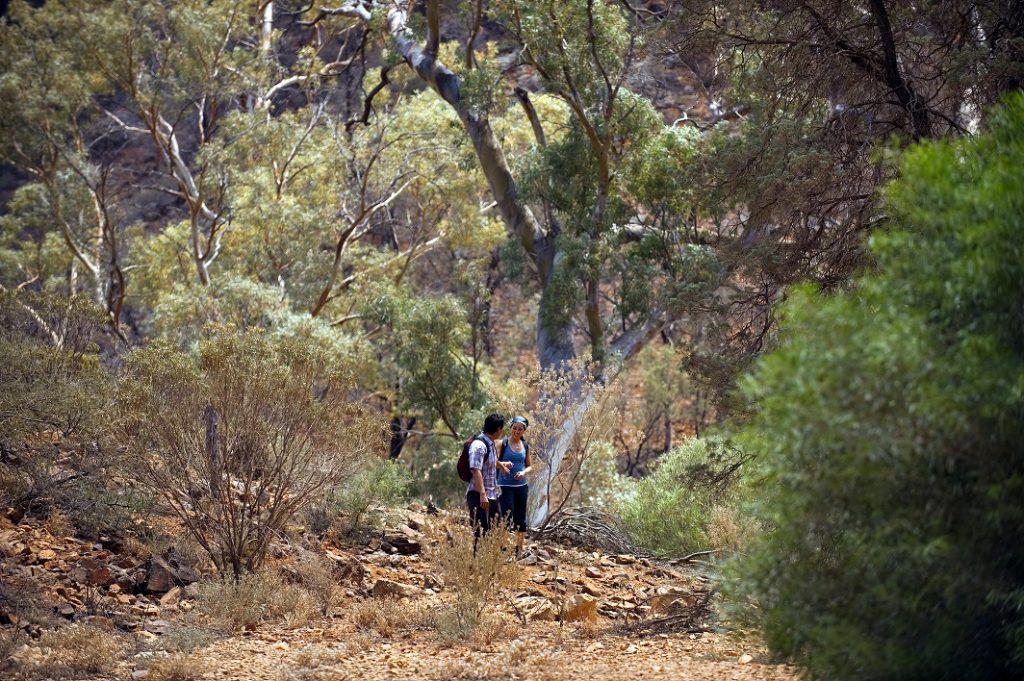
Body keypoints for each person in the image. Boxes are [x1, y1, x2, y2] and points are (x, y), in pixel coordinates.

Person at [466, 413, 512, 535]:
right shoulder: (479, 446)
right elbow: (475, 469)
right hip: (479, 497)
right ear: (498, 429)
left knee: (496, 533)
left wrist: (502, 466)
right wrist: (482, 494)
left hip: (492, 496)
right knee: (481, 535)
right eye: (502, 429)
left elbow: (491, 461)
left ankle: (493, 554)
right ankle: (478, 555)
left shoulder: (490, 444)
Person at [498, 415, 532, 556]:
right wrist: (503, 466)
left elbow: (530, 466)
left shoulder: (525, 446)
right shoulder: (503, 444)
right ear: (510, 428)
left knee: (520, 518)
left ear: (524, 431)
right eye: (514, 428)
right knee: (506, 516)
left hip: (521, 487)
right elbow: (493, 461)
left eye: (520, 429)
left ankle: (519, 549)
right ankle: (503, 549)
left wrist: (523, 473)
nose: (517, 431)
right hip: (504, 486)